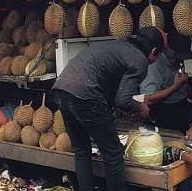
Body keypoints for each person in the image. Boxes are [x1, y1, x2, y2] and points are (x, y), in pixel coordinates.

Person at [52, 26, 167, 191]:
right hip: (85, 95)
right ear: (154, 50)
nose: (157, 59)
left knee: (81, 150)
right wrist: (139, 107)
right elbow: (123, 99)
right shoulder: (139, 60)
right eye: (160, 54)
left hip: (61, 90)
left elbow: (113, 92)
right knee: (113, 153)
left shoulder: (119, 47)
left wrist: (118, 108)